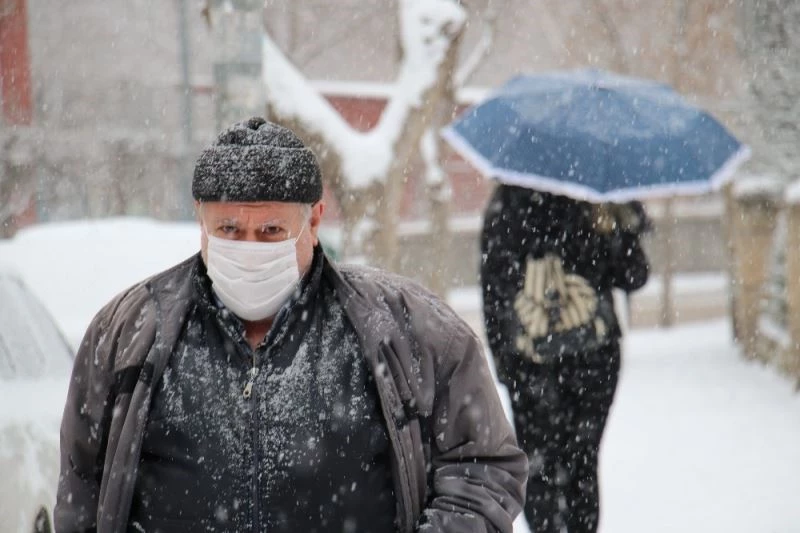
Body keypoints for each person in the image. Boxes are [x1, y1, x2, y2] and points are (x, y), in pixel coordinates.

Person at [55, 117, 527, 533]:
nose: (249, 248)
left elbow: (482, 465)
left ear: (315, 219)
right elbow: (81, 485)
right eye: (229, 231)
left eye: (271, 232)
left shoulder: (408, 329)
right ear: (200, 218)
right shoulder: (129, 334)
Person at [480, 184, 650, 533]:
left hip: (552, 363)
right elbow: (634, 275)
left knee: (552, 466)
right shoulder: (594, 192)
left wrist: (504, 363)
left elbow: (493, 288)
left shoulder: (507, 203)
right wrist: (617, 227)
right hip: (574, 362)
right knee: (573, 466)